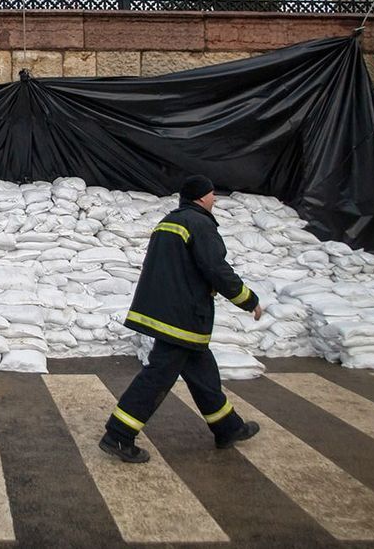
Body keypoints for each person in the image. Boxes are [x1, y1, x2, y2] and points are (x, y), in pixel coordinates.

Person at [100, 174, 263, 463]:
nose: (215, 199)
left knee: (203, 374)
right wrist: (248, 299)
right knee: (157, 377)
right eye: (213, 194)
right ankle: (118, 435)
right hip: (183, 316)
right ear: (202, 197)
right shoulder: (199, 223)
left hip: (169, 311)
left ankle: (228, 428)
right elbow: (216, 269)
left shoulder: (169, 222)